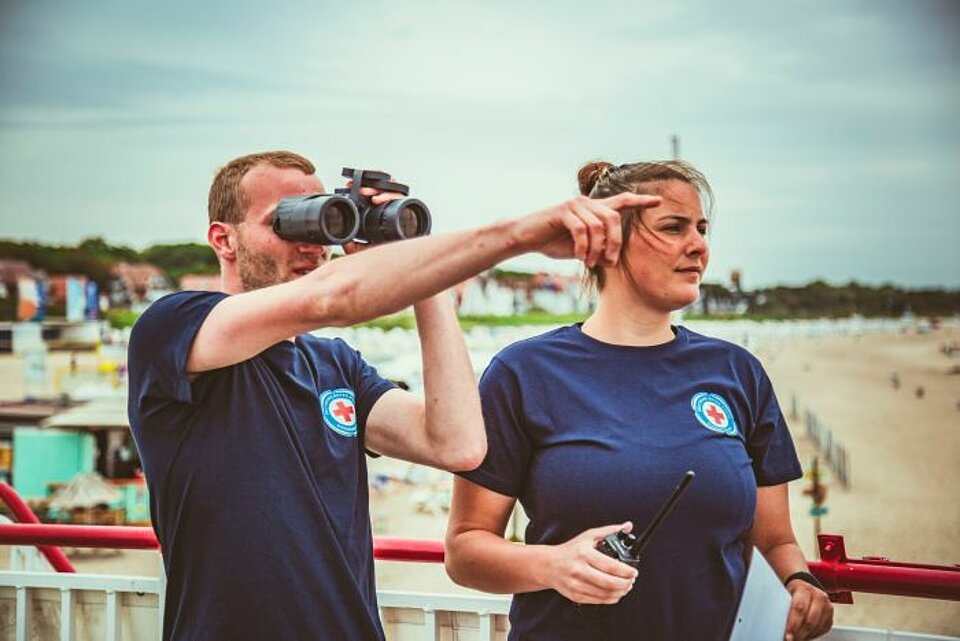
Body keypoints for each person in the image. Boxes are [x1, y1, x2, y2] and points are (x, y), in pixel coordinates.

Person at [126, 150, 660, 641]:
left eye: (321, 218)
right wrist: (516, 235)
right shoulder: (174, 331)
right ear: (224, 239)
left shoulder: (334, 365)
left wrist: (419, 271)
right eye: (286, 222)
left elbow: (456, 444)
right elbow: (330, 297)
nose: (310, 242)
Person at [445, 160, 834, 641]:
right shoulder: (523, 373)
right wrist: (554, 566)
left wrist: (800, 582)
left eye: (702, 229)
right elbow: (465, 551)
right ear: (608, 242)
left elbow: (775, 541)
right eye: (673, 227)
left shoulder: (738, 372)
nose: (699, 246)